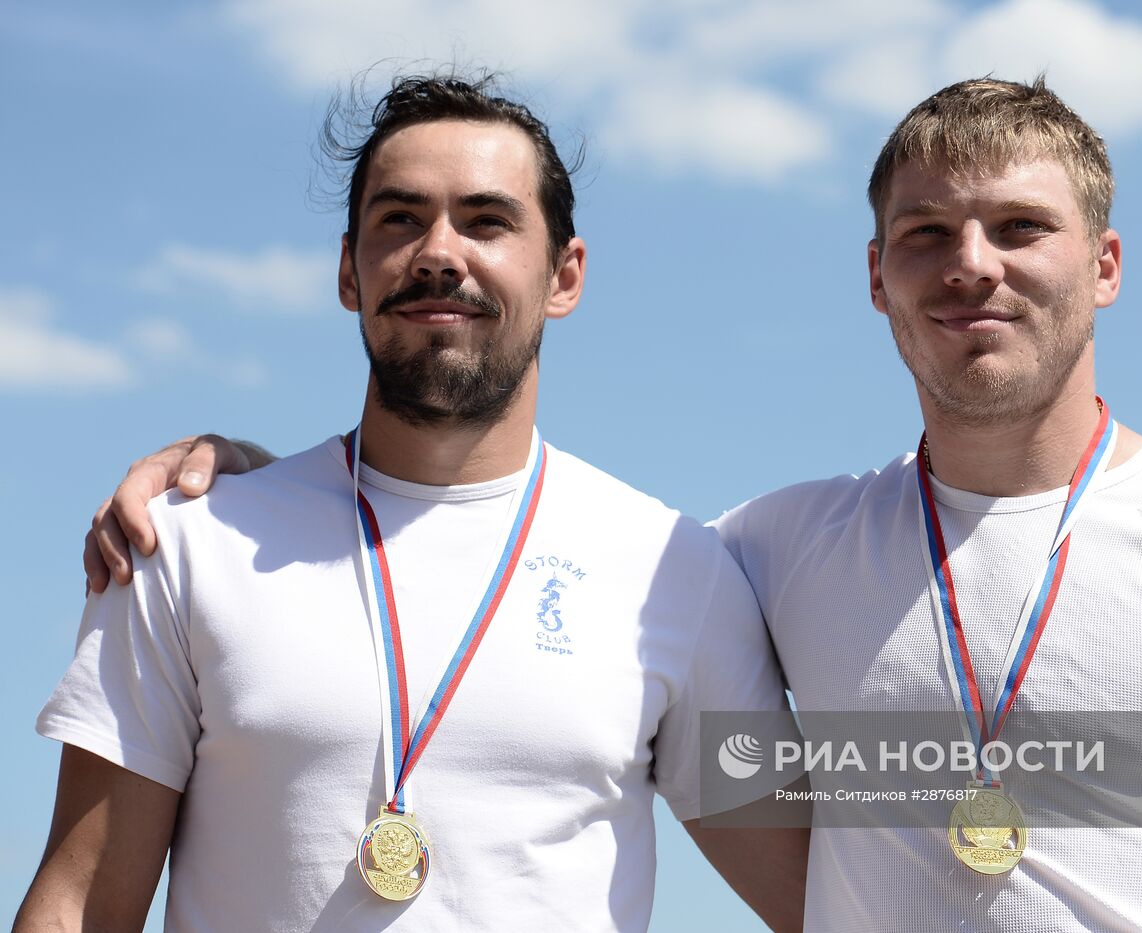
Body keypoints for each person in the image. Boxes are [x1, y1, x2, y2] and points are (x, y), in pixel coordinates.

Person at [73, 77, 1142, 931]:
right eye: (928, 237)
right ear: (876, 277)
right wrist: (236, 477)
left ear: (1104, 265)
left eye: (1019, 229)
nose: (971, 269)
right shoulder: (759, 557)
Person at [18, 74, 807, 932]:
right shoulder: (187, 546)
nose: (440, 251)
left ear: (564, 275)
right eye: (400, 219)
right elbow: (81, 901)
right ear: (350, 271)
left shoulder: (674, 573)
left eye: (487, 221)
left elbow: (830, 893)